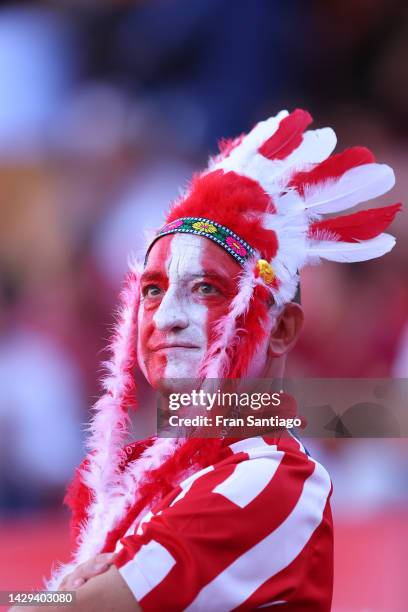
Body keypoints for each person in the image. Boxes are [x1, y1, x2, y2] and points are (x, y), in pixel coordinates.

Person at [12, 109, 400, 611]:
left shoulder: (269, 479)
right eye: (152, 289)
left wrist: (52, 597)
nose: (168, 317)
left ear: (282, 328)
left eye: (206, 289)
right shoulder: (153, 476)